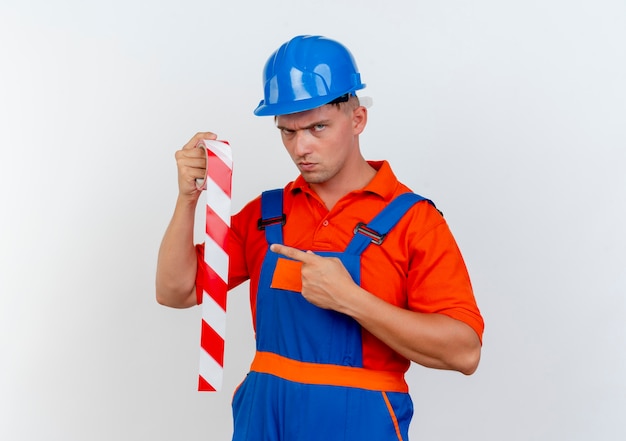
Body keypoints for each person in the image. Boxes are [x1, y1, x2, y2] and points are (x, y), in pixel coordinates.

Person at [156, 35, 484, 441]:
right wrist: (187, 199)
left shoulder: (414, 222)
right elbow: (176, 291)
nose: (301, 147)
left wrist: (350, 300)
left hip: (358, 421)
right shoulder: (265, 214)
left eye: (317, 127)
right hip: (265, 416)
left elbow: (465, 351)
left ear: (358, 119)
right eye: (288, 132)